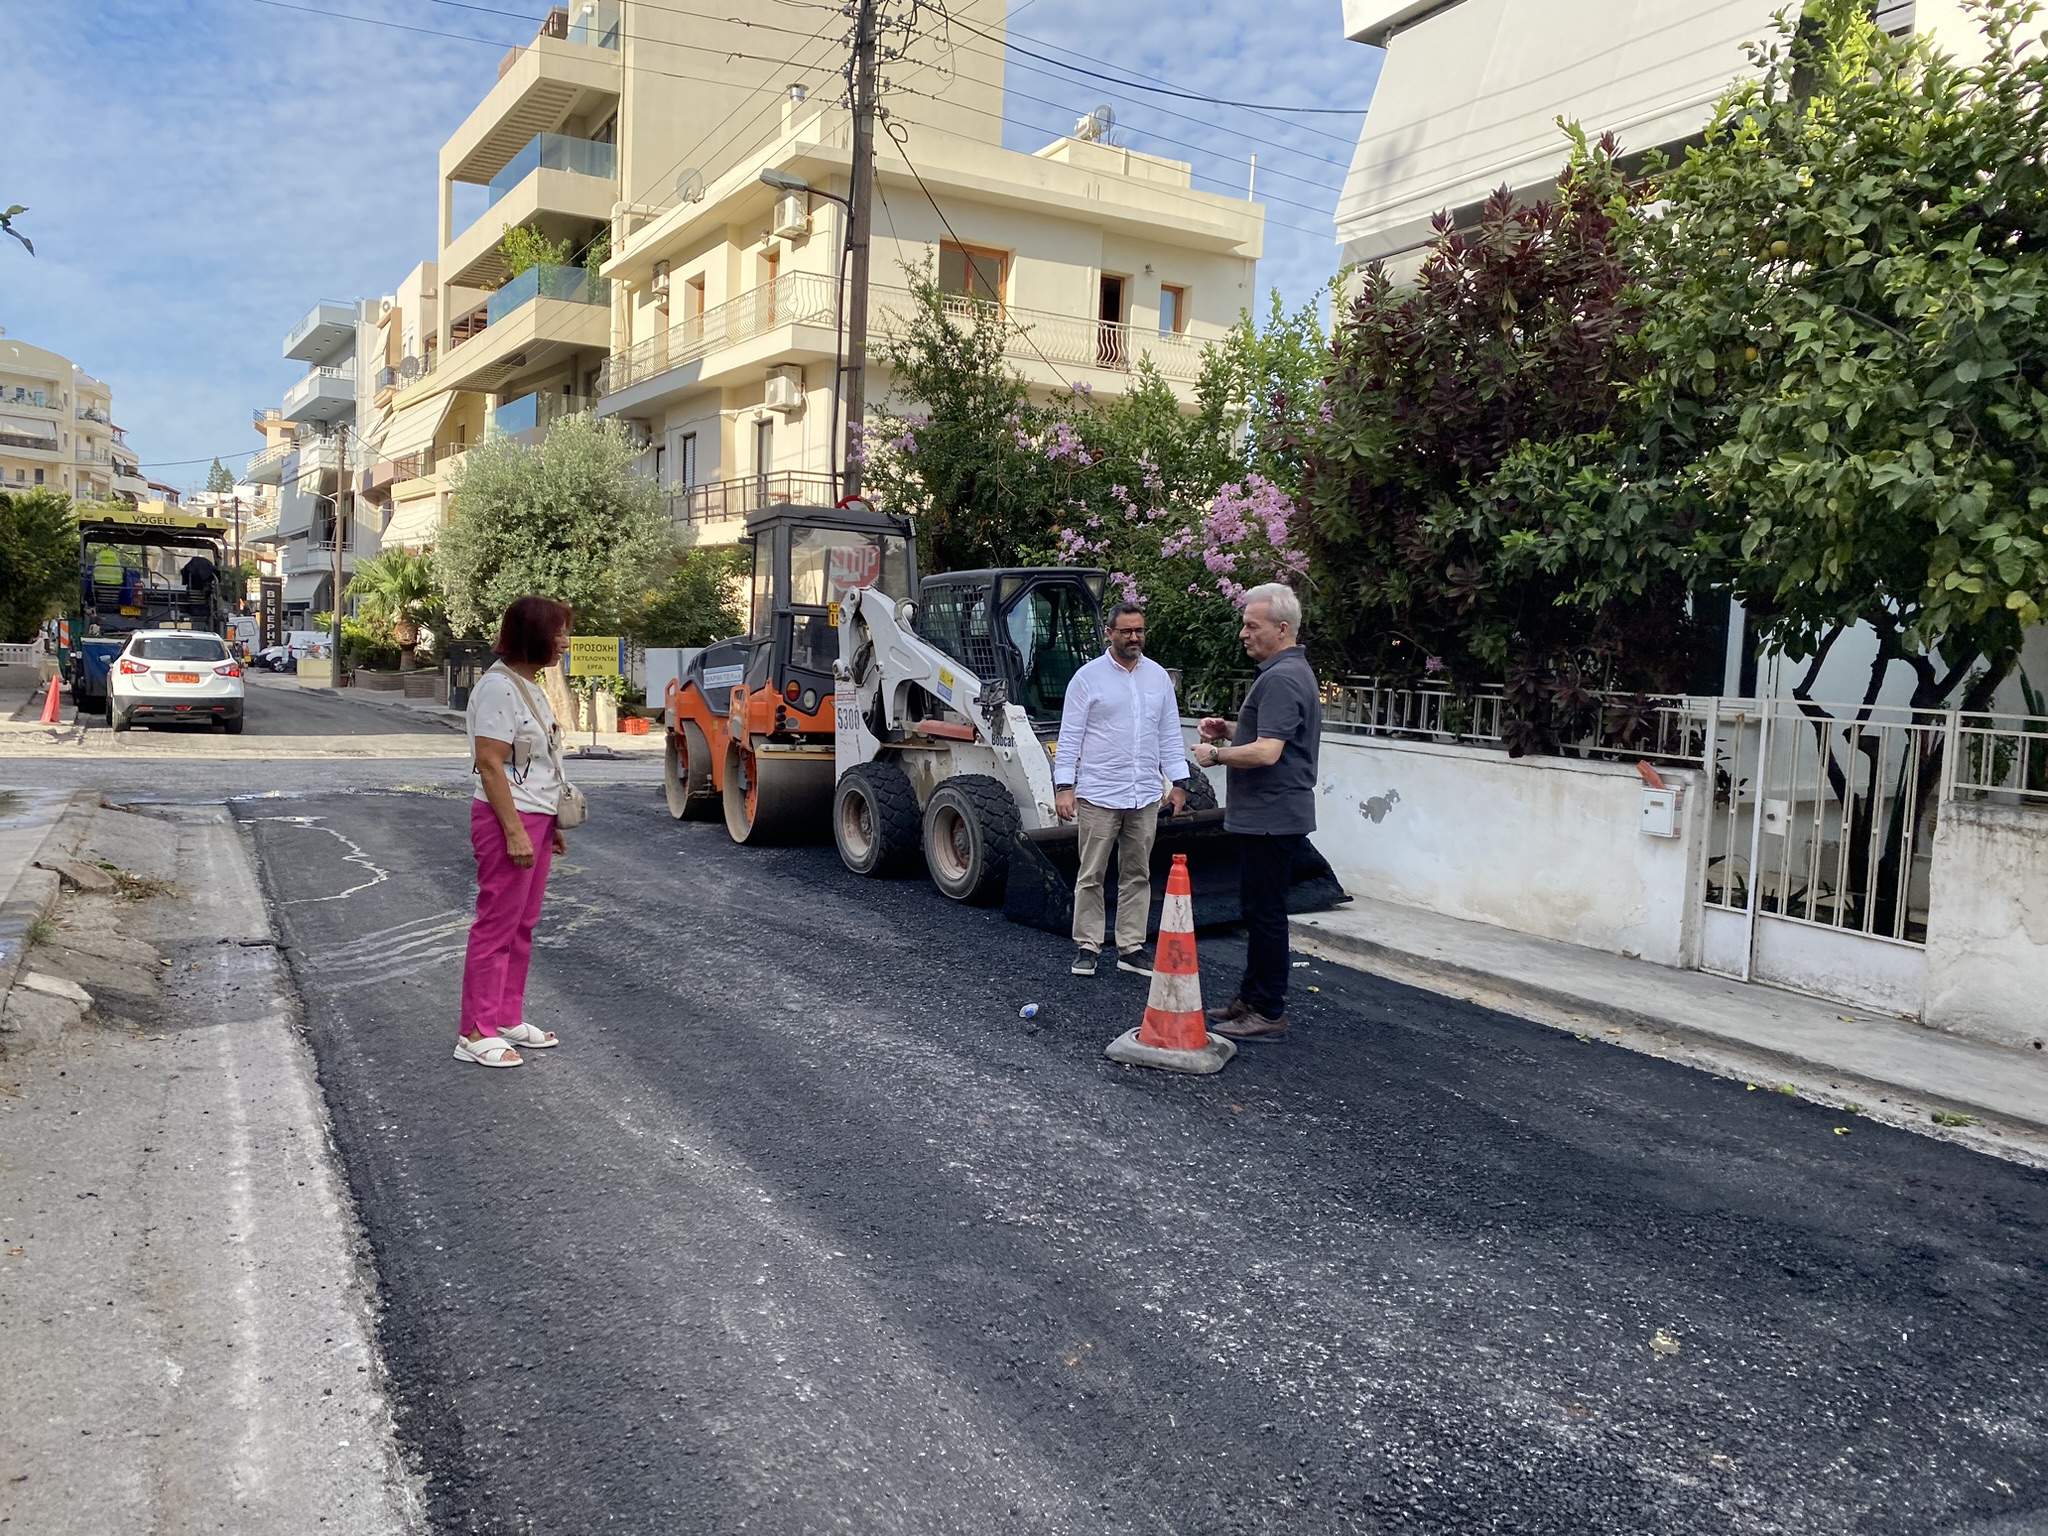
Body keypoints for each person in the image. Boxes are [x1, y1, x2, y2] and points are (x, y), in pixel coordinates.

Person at [1191, 583, 1320, 1041]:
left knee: (1265, 914)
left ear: (1281, 629)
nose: (1243, 633)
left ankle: (1267, 1010)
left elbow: (1267, 752)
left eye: (1252, 625)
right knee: (1257, 909)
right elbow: (1269, 733)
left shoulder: (1282, 678)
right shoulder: (1284, 672)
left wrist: (1216, 755)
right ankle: (1251, 999)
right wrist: (1230, 728)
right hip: (1269, 815)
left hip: (1271, 817)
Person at [455, 594, 574, 1068]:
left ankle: (504, 1017)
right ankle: (474, 1031)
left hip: (535, 818)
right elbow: (489, 763)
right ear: (534, 635)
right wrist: (516, 832)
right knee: (496, 924)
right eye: (559, 631)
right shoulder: (498, 688)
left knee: (522, 924)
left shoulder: (530, 685)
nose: (565, 640)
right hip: (510, 819)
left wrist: (548, 824)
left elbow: (538, 760)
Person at [1053, 601, 1191, 978]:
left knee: (1137, 873)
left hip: (1144, 794)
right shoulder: (1087, 678)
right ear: (1109, 633)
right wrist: (1064, 786)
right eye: (1127, 631)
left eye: (1140, 630)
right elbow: (1069, 738)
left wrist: (1178, 783)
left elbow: (1168, 734)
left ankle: (1131, 947)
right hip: (1099, 793)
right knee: (1091, 873)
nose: (1135, 637)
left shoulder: (1158, 677)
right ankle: (1088, 945)